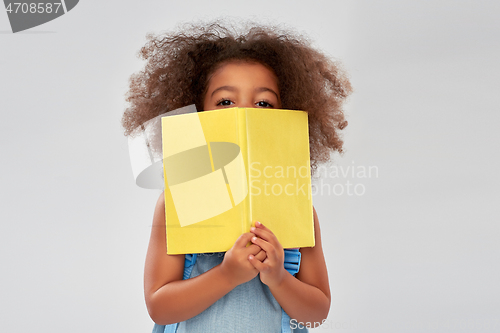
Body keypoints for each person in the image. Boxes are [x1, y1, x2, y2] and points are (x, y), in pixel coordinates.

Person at [122, 21, 352, 333]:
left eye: (264, 103)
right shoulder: (176, 203)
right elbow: (159, 308)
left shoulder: (298, 211)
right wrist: (227, 274)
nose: (244, 114)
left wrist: (279, 278)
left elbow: (316, 314)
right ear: (196, 114)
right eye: (226, 101)